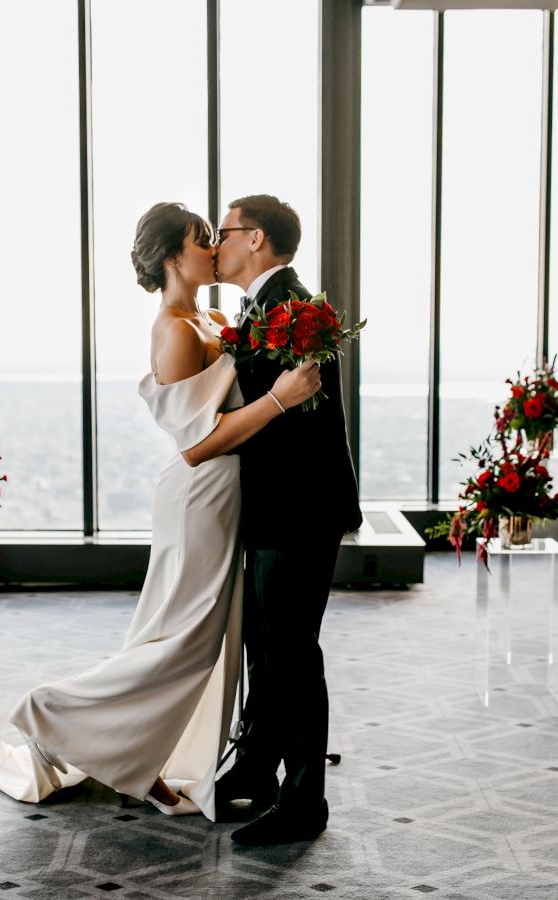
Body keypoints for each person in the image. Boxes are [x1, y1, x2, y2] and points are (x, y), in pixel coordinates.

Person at [0, 202, 320, 821]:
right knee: (184, 642)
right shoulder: (173, 329)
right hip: (200, 495)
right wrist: (277, 399)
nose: (214, 249)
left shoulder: (212, 315)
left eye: (218, 238)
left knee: (193, 639)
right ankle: (50, 712)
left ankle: (140, 760)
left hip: (226, 496)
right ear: (172, 257)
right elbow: (194, 446)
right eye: (202, 242)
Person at [211, 194, 362, 845]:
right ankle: (253, 769)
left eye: (226, 230)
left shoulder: (296, 310)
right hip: (274, 508)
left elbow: (288, 423)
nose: (217, 241)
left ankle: (306, 801)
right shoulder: (264, 310)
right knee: (266, 647)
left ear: (257, 238)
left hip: (298, 509)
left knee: (293, 652)